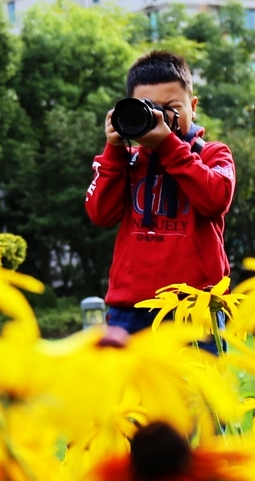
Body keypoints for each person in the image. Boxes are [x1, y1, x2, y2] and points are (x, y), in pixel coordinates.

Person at [85, 51, 236, 349]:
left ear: (192, 107)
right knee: (130, 396)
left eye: (171, 108)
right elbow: (100, 213)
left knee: (200, 393)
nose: (161, 118)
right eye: (150, 108)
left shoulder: (211, 154)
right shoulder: (125, 161)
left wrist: (169, 147)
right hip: (130, 308)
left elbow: (216, 199)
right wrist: (114, 149)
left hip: (195, 307)